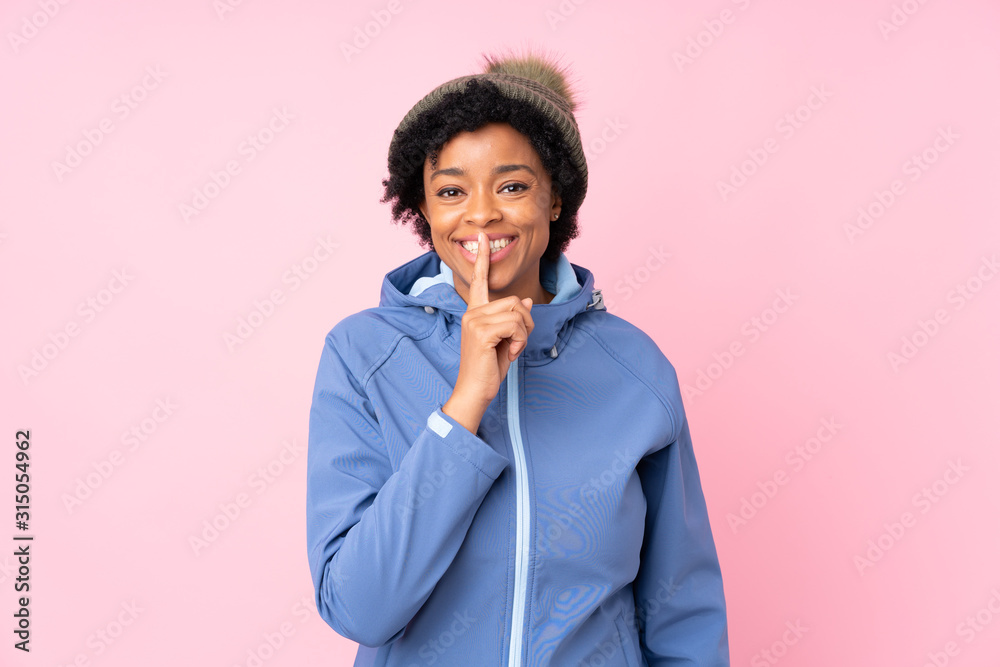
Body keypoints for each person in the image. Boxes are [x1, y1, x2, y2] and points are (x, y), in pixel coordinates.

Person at [306, 47, 730, 666]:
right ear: (422, 209)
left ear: (554, 199)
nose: (481, 212)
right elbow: (359, 607)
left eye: (511, 185)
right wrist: (464, 405)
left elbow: (681, 609)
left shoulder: (634, 368)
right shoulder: (362, 354)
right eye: (451, 190)